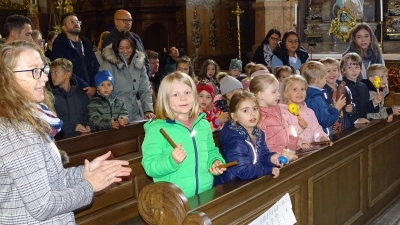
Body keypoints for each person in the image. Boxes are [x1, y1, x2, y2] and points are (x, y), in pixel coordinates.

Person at [0, 40, 131, 224]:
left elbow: (53, 180)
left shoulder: (29, 117)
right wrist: (90, 185)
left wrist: (86, 172)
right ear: (6, 78)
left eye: (43, 69)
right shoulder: (16, 131)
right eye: (34, 71)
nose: (45, 78)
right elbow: (43, 206)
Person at [141, 71, 226, 198]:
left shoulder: (203, 125)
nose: (183, 98)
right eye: (175, 94)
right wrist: (171, 160)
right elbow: (150, 166)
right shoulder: (157, 129)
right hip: (174, 199)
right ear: (165, 99)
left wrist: (215, 162)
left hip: (205, 193)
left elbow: (211, 151)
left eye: (187, 92)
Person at [213, 91, 281, 186]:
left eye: (255, 109)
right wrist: (268, 169)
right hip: (230, 186)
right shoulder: (235, 140)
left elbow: (262, 155)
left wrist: (271, 158)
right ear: (234, 116)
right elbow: (243, 170)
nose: (252, 114)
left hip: (247, 182)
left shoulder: (257, 133)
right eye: (245, 110)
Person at [250, 74, 310, 160]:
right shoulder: (260, 118)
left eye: (278, 91)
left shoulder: (276, 110)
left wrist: (297, 142)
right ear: (261, 95)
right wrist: (282, 154)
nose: (278, 95)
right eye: (274, 92)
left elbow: (282, 135)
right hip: (273, 161)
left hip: (283, 156)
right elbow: (264, 147)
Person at [100, 31, 154, 121]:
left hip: (134, 114)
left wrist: (148, 110)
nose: (125, 51)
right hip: (115, 117)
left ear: (133, 47)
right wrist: (116, 116)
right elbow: (104, 94)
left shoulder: (139, 63)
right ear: (116, 48)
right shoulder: (108, 65)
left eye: (128, 47)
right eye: (121, 48)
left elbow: (145, 90)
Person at [51, 12, 100, 97]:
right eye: (71, 22)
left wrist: (94, 86)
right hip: (73, 92)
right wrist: (85, 87)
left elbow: (95, 65)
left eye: (77, 21)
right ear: (64, 28)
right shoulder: (59, 46)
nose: (76, 24)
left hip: (92, 91)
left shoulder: (86, 44)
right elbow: (64, 70)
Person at [279, 75, 330, 143]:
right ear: (286, 93)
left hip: (311, 149)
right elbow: (284, 134)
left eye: (302, 89)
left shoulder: (309, 111)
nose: (300, 92)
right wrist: (299, 127)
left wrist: (321, 137)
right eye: (295, 89)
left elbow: (316, 129)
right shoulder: (282, 112)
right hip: (295, 151)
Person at [50, 58, 92, 138]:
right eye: (51, 73)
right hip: (62, 142)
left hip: (83, 138)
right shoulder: (51, 98)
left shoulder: (81, 95)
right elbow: (52, 123)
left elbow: (88, 116)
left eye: (56, 72)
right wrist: (72, 127)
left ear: (67, 75)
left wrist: (88, 126)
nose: (53, 76)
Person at [101, 9, 150, 77]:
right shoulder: (110, 39)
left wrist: (148, 76)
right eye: (124, 20)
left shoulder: (135, 37)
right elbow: (113, 64)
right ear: (116, 22)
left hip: (142, 78)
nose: (128, 23)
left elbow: (145, 59)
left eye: (130, 20)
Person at [303, 61, 346, 135]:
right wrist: (336, 108)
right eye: (325, 78)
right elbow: (326, 121)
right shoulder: (316, 98)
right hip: (322, 136)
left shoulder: (311, 94)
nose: (325, 81)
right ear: (319, 79)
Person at [341, 53, 381, 124]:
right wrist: (355, 120)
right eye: (350, 67)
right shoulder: (341, 86)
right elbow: (342, 110)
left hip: (363, 123)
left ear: (360, 69)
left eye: (356, 67)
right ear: (343, 70)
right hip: (348, 125)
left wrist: (374, 102)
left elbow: (364, 108)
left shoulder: (363, 86)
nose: (354, 70)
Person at [320, 57, 354, 133]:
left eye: (335, 70)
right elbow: (322, 112)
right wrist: (334, 107)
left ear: (339, 72)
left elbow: (351, 101)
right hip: (329, 129)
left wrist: (351, 108)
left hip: (344, 126)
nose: (332, 73)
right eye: (328, 71)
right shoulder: (322, 91)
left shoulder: (344, 87)